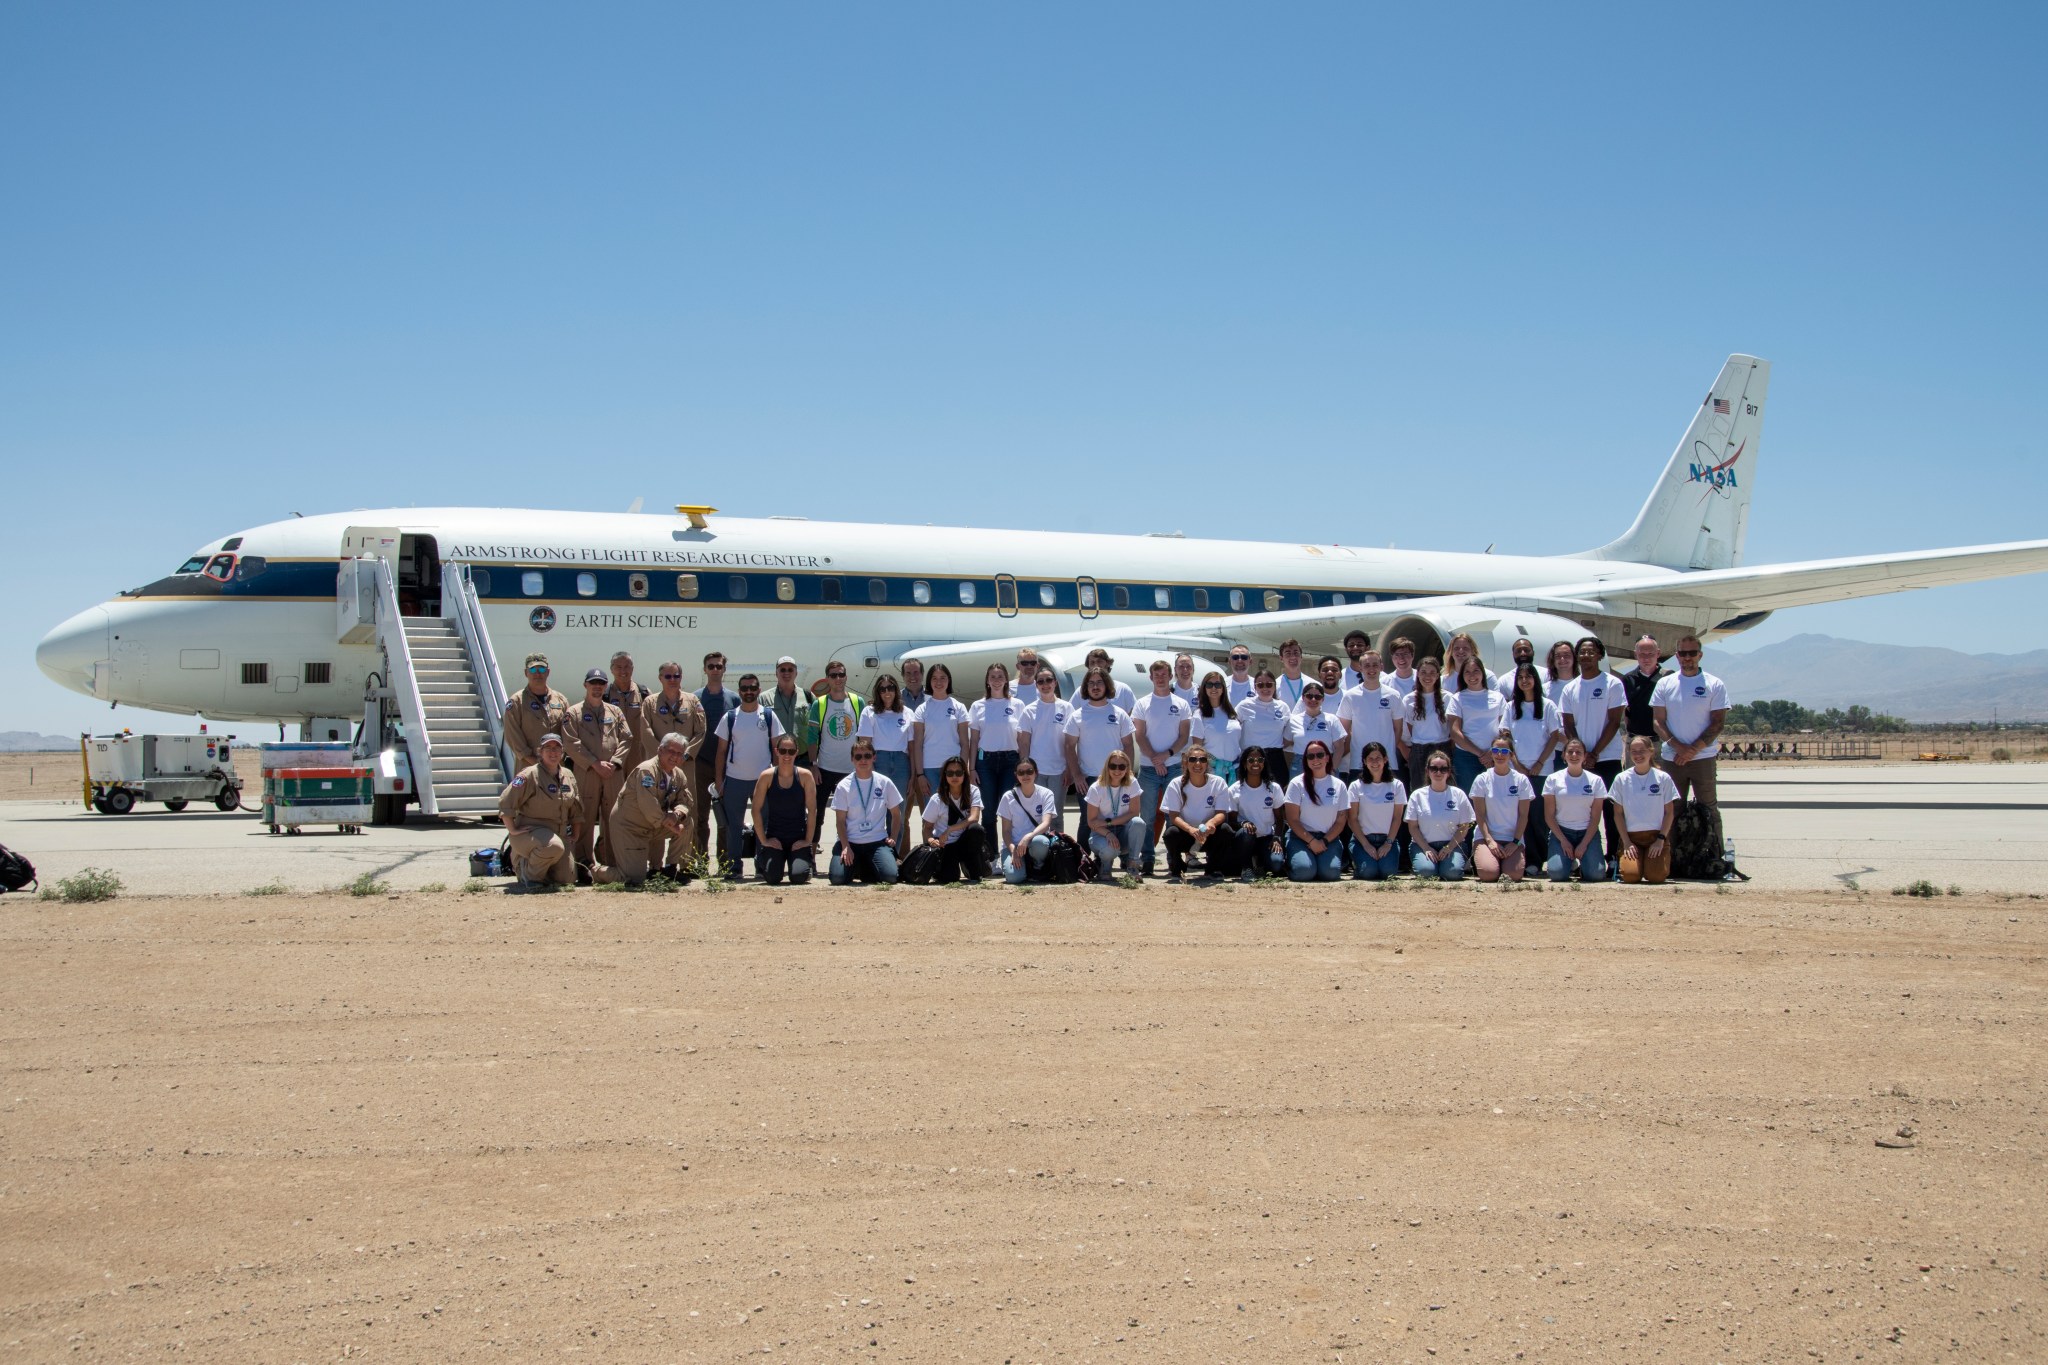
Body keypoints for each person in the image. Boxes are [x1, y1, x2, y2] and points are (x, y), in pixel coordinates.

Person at [1559, 637, 1627, 872]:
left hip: (1606, 757)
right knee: (1578, 810)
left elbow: (1614, 721)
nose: (1586, 656)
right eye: (1582, 653)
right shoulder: (1570, 688)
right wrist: (1581, 753)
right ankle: (1577, 858)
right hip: (1580, 761)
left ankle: (1614, 858)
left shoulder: (1612, 684)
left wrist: (1595, 752)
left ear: (1600, 655)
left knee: (1610, 809)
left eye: (1591, 652)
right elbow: (1568, 723)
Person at [710, 672, 785, 877]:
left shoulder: (769, 716)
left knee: (763, 825)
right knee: (733, 826)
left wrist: (778, 778)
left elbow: (777, 749)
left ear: (759, 690)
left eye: (753, 688)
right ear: (739, 691)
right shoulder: (731, 717)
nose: (749, 692)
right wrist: (719, 780)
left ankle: (762, 867)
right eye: (744, 688)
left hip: (763, 780)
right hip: (735, 780)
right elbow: (721, 752)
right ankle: (734, 868)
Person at [641, 661, 707, 877]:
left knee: (688, 811)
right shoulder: (650, 703)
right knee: (658, 813)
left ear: (681, 677)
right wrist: (663, 757)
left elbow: (700, 731)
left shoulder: (693, 701)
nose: (672, 680)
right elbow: (646, 731)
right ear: (660, 678)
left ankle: (685, 865)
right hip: (659, 767)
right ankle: (656, 866)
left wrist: (684, 755)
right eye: (667, 676)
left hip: (685, 766)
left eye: (676, 676)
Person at [602, 732, 693, 885]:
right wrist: (668, 821)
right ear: (660, 750)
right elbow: (648, 804)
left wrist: (677, 815)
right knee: (632, 879)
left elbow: (685, 801)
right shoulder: (647, 770)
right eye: (671, 751)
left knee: (687, 823)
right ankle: (596, 872)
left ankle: (671, 869)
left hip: (653, 825)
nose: (675, 757)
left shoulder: (679, 775)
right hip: (630, 828)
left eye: (679, 753)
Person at [564, 668, 631, 874]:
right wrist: (595, 763)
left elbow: (627, 738)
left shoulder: (615, 711)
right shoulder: (573, 713)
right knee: (583, 819)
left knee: (613, 819)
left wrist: (615, 762)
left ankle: (612, 863)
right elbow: (571, 743)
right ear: (585, 685)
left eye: (601, 683)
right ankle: (583, 865)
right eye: (593, 683)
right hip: (587, 773)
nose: (597, 687)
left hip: (613, 773)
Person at [1651, 635, 1729, 811]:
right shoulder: (1664, 684)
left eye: (1692, 653)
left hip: (1703, 756)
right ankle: (1672, 840)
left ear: (1700, 655)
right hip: (1672, 758)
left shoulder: (1714, 684)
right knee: (1672, 809)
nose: (1687, 657)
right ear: (1677, 655)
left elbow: (1717, 723)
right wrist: (1679, 748)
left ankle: (1713, 840)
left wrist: (1692, 750)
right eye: (1682, 653)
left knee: (1708, 808)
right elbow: (1658, 721)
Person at [1130, 659, 1194, 875]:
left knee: (1172, 816)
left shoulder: (1181, 704)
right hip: (1148, 769)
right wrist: (1154, 759)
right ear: (1151, 678)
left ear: (1170, 676)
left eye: (1164, 674)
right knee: (1147, 817)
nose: (1160, 678)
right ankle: (1147, 859)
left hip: (1174, 768)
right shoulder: (1142, 703)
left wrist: (1166, 756)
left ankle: (1173, 859)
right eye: (1156, 675)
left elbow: (1184, 735)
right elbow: (1139, 734)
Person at [498, 733, 579, 889]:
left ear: (562, 752)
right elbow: (505, 802)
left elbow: (576, 808)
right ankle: (527, 872)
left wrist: (574, 834)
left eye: (557, 748)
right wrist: (512, 829)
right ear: (539, 752)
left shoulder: (568, 775)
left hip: (558, 834)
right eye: (547, 748)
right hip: (531, 832)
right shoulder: (529, 774)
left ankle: (538, 868)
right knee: (553, 847)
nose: (553, 752)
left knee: (566, 878)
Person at [1503, 663, 1562, 868]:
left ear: (1536, 680)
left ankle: (1541, 859)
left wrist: (1539, 763)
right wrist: (1517, 764)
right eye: (1521, 677)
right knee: (1522, 817)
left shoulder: (1547, 706)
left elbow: (1555, 736)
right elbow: (1505, 736)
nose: (1525, 680)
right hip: (1517, 771)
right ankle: (1527, 860)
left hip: (1541, 771)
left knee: (1538, 818)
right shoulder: (1510, 707)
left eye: (1529, 677)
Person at [828, 740, 904, 885]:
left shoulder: (885, 782)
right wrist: (845, 846)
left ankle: (864, 866)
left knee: (890, 877)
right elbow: (840, 821)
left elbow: (896, 814)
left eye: (867, 756)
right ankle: (856, 864)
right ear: (852, 759)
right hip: (851, 842)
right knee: (837, 879)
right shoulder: (843, 786)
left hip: (876, 842)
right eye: (858, 757)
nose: (863, 760)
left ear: (874, 757)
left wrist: (893, 837)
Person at [1159, 745, 1237, 882]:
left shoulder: (1218, 783)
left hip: (1209, 834)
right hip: (1187, 833)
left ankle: (1213, 869)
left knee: (1225, 830)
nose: (1197, 763)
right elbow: (1173, 816)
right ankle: (1178, 868)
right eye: (1193, 759)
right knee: (1170, 834)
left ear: (1207, 764)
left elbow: (1221, 813)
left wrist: (1211, 824)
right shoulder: (1175, 784)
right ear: (1185, 762)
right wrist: (1191, 830)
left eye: (1202, 760)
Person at [806, 661, 864, 842]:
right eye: (833, 675)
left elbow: (863, 737)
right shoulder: (820, 704)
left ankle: (849, 855)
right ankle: (811, 858)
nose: (838, 679)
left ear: (846, 676)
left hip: (850, 770)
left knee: (852, 816)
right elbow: (811, 738)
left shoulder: (857, 702)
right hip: (824, 769)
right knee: (817, 815)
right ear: (827, 679)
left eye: (841, 674)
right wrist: (814, 765)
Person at [968, 662, 1024, 846]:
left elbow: (1022, 739)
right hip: (986, 763)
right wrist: (972, 768)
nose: (997, 680)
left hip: (1010, 762)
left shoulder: (1017, 704)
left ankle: (1010, 849)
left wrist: (1024, 766)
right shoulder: (978, 706)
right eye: (993, 676)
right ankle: (991, 856)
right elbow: (974, 741)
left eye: (1000, 676)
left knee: (1010, 808)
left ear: (1007, 679)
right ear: (987, 680)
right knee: (989, 810)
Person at [1469, 727, 1534, 882]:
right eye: (1496, 751)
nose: (1500, 755)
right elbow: (1479, 814)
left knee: (1513, 875)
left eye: (1504, 752)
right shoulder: (1482, 779)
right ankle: (1483, 857)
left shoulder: (1521, 780)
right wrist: (1490, 841)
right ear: (1491, 753)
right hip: (1487, 837)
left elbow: (1524, 815)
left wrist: (1515, 842)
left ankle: (1506, 860)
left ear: (1511, 756)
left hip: (1513, 839)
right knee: (1489, 874)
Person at [1610, 735, 1677, 883]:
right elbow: (1618, 814)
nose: (1638, 755)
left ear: (1651, 751)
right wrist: (1626, 842)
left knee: (1656, 877)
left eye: (1642, 750)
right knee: (1630, 876)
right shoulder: (1621, 779)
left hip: (1656, 837)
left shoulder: (1663, 778)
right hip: (1632, 838)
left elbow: (1669, 812)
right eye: (1634, 751)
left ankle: (1653, 862)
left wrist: (1660, 839)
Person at [751, 735, 817, 885]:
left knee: (798, 878)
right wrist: (764, 840)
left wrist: (807, 841)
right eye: (783, 751)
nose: (787, 755)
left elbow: (812, 811)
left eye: (791, 751)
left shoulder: (805, 776)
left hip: (797, 838)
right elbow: (755, 810)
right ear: (776, 751)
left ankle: (805, 864)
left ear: (796, 752)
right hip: (775, 838)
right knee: (772, 878)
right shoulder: (766, 776)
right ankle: (766, 860)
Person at [693, 652, 739, 866]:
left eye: (719, 666)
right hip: (700, 764)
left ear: (724, 670)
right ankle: (699, 861)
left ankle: (724, 862)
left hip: (726, 766)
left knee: (725, 816)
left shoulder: (733, 699)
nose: (715, 670)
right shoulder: (694, 698)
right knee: (699, 815)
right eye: (711, 666)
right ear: (704, 669)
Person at [1542, 737, 1609, 883]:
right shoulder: (1553, 779)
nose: (1574, 755)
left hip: (1587, 832)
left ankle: (1584, 864)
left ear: (1585, 756)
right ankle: (1568, 862)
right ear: (1564, 755)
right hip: (1561, 832)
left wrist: (1584, 844)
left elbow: (1596, 817)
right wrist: (1564, 841)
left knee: (1596, 876)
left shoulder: (1595, 781)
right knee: (1557, 875)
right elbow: (1549, 816)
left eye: (1578, 752)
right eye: (1570, 752)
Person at [1016, 669, 1075, 830]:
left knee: (1056, 816)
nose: (1045, 684)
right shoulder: (1029, 710)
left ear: (1055, 683)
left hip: (1059, 771)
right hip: (1037, 772)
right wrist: (1025, 770)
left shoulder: (1067, 708)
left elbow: (1070, 743)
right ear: (1036, 685)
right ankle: (1036, 851)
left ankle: (1059, 850)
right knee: (1036, 814)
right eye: (1040, 681)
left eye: (1048, 680)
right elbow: (1024, 743)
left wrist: (1070, 769)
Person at [1063, 668, 1137, 795]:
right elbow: (1069, 747)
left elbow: (1129, 745)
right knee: (1088, 816)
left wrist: (1127, 774)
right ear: (1086, 687)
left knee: (1117, 815)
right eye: (1091, 683)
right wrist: (1077, 776)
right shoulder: (1076, 716)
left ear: (1107, 685)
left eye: (1099, 682)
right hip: (1087, 779)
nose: (1095, 686)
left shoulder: (1120, 714)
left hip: (1115, 775)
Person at [1405, 751, 1474, 881]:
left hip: (1451, 844)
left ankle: (1450, 864)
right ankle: (1429, 864)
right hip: (1423, 845)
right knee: (1426, 873)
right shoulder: (1417, 795)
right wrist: (1426, 848)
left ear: (1449, 772)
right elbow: (1413, 827)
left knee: (1451, 874)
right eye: (1434, 768)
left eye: (1443, 769)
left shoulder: (1458, 794)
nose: (1438, 773)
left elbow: (1465, 826)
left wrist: (1449, 847)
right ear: (1427, 771)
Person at [919, 755, 989, 883]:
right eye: (950, 773)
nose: (954, 777)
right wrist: (930, 840)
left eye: (958, 773)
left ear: (965, 774)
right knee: (949, 879)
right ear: (945, 776)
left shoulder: (973, 791)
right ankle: (945, 868)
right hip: (946, 845)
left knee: (977, 830)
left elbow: (974, 817)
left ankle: (971, 866)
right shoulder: (937, 798)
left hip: (966, 842)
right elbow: (927, 827)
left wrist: (950, 829)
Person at [910, 663, 970, 809]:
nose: (939, 682)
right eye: (934, 678)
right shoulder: (922, 709)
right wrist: (920, 775)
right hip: (929, 769)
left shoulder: (959, 707)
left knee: (953, 813)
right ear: (929, 682)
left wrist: (961, 769)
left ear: (948, 681)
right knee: (931, 817)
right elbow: (917, 745)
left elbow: (964, 743)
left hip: (953, 769)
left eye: (943, 678)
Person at [1337, 648, 1401, 784]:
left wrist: (1387, 751)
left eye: (1375, 665)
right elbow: (1344, 731)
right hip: (1358, 763)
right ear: (1360, 668)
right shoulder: (1350, 696)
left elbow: (1398, 729)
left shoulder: (1393, 695)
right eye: (1366, 665)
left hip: (1387, 762)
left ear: (1381, 667)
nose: (1371, 669)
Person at [1446, 656, 1507, 792]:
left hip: (1495, 756)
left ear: (1483, 673)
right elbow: (1455, 733)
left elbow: (1505, 729)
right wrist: (1480, 754)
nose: (1472, 675)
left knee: (1494, 796)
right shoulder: (1457, 698)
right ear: (1462, 675)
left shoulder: (1498, 697)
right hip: (1466, 757)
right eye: (1467, 672)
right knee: (1469, 796)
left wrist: (1491, 753)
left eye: (1476, 671)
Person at [503, 652, 571, 772]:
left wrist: (557, 758)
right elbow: (513, 736)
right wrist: (535, 761)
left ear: (548, 672)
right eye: (533, 670)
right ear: (526, 673)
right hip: (528, 768)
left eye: (541, 669)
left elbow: (568, 732)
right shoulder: (516, 702)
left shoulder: (561, 700)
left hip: (557, 768)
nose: (538, 673)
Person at [1346, 742, 1405, 880]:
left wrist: (1388, 843)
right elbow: (1352, 819)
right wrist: (1366, 845)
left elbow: (1397, 817)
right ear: (1364, 762)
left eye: (1378, 758)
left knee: (1388, 874)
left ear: (1385, 760)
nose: (1374, 762)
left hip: (1387, 839)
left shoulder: (1397, 785)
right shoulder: (1356, 786)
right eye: (1370, 759)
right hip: (1363, 840)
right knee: (1369, 873)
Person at [1228, 745, 1286, 881]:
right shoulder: (1234, 790)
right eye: (1251, 760)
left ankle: (1260, 862)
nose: (1256, 763)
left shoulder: (1274, 788)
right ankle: (1246, 867)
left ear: (1264, 764)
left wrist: (1277, 838)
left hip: (1266, 837)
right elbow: (1231, 822)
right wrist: (1243, 823)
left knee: (1276, 865)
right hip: (1244, 838)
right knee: (1247, 832)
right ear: (1244, 764)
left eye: (1260, 760)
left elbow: (1279, 819)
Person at [1083, 753, 1146, 879]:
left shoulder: (1132, 783)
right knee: (1109, 850)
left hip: (1123, 831)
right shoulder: (1096, 788)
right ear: (1107, 767)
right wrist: (1108, 832)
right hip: (1101, 834)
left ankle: (1132, 864)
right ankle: (1105, 867)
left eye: (1122, 767)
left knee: (1138, 822)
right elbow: (1091, 822)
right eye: (1113, 766)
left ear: (1127, 768)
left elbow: (1134, 812)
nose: (1117, 770)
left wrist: (1108, 822)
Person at [998, 758, 1059, 884]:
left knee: (1040, 842)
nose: (1025, 775)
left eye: (1029, 771)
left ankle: (1038, 867)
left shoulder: (1046, 793)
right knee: (1014, 878)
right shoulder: (1008, 797)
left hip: (1035, 843)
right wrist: (1013, 849)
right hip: (1014, 846)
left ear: (1036, 772)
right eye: (1021, 772)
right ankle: (1025, 869)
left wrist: (1028, 837)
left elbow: (1046, 823)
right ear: (1016, 775)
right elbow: (1006, 831)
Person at [1399, 657, 1453, 782]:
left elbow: (1452, 728)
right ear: (1417, 674)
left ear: (1438, 675)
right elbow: (1408, 728)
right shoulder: (1408, 699)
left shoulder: (1448, 698)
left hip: (1442, 748)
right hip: (1419, 750)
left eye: (1432, 672)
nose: (1427, 676)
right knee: (1420, 789)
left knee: (1444, 787)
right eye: (1423, 672)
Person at [1236, 669, 1294, 784]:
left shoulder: (1283, 707)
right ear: (1255, 687)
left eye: (1269, 684)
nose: (1265, 688)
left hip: (1275, 758)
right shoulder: (1244, 706)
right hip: (1251, 757)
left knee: (1277, 796)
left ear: (1274, 686)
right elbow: (1233, 729)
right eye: (1260, 685)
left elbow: (1289, 733)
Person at [1189, 671, 1243, 782]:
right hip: (1211, 772)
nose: (1214, 688)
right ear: (1204, 688)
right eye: (1209, 685)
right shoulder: (1199, 715)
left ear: (1223, 688)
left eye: (1218, 685)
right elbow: (1197, 748)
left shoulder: (1232, 713)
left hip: (1235, 771)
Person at [604, 651, 652, 764]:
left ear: (632, 668)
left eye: (626, 667)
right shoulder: (605, 695)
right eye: (618, 667)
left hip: (639, 754)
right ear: (611, 669)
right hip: (614, 755)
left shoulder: (644, 693)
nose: (623, 671)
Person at [1619, 635, 1667, 749]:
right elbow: (1626, 712)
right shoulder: (1627, 679)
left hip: (1661, 742)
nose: (1646, 658)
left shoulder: (1668, 677)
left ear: (1658, 653)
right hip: (1635, 743)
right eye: (1642, 654)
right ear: (1635, 654)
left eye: (1650, 654)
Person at [766, 656, 812, 763]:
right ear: (776, 673)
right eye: (782, 670)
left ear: (796, 673)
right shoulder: (764, 698)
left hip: (802, 759)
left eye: (790, 670)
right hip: (776, 759)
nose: (786, 673)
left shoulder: (808, 696)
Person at [1083, 648, 1138, 713]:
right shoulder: (1080, 691)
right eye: (1092, 662)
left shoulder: (1123, 690)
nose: (1096, 665)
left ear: (1108, 664)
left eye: (1099, 661)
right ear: (1088, 666)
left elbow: (1135, 715)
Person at [1274, 639, 1311, 713]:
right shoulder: (1274, 686)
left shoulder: (1313, 684)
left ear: (1301, 657)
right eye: (1288, 653)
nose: (1293, 657)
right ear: (1281, 658)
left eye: (1296, 653)